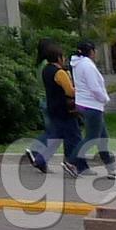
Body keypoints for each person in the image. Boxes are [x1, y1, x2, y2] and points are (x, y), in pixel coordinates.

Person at [25, 36, 87, 176]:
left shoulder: (46, 70)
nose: (64, 59)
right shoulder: (60, 72)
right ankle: (72, 163)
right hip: (65, 109)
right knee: (74, 137)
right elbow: (69, 91)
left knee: (55, 135)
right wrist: (82, 91)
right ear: (58, 57)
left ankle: (40, 159)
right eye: (63, 56)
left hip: (54, 107)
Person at [71, 39, 116, 174]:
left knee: (103, 138)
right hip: (92, 105)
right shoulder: (87, 66)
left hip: (85, 103)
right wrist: (104, 99)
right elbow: (94, 87)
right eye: (94, 50)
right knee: (91, 138)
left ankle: (110, 168)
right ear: (91, 52)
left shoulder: (78, 64)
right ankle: (71, 161)